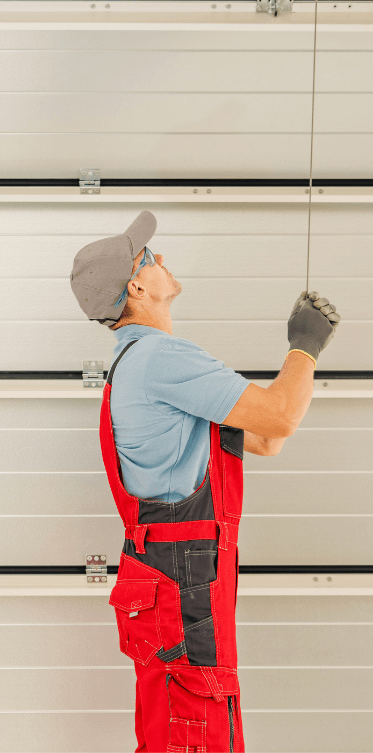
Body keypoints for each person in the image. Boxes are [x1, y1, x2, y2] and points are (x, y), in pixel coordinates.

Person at [69, 211, 341, 753]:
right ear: (137, 285)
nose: (162, 259)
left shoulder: (136, 363)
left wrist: (299, 364)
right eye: (150, 257)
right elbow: (281, 418)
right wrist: (304, 348)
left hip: (171, 575)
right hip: (185, 577)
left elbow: (266, 439)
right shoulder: (161, 357)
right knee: (197, 724)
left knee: (177, 721)